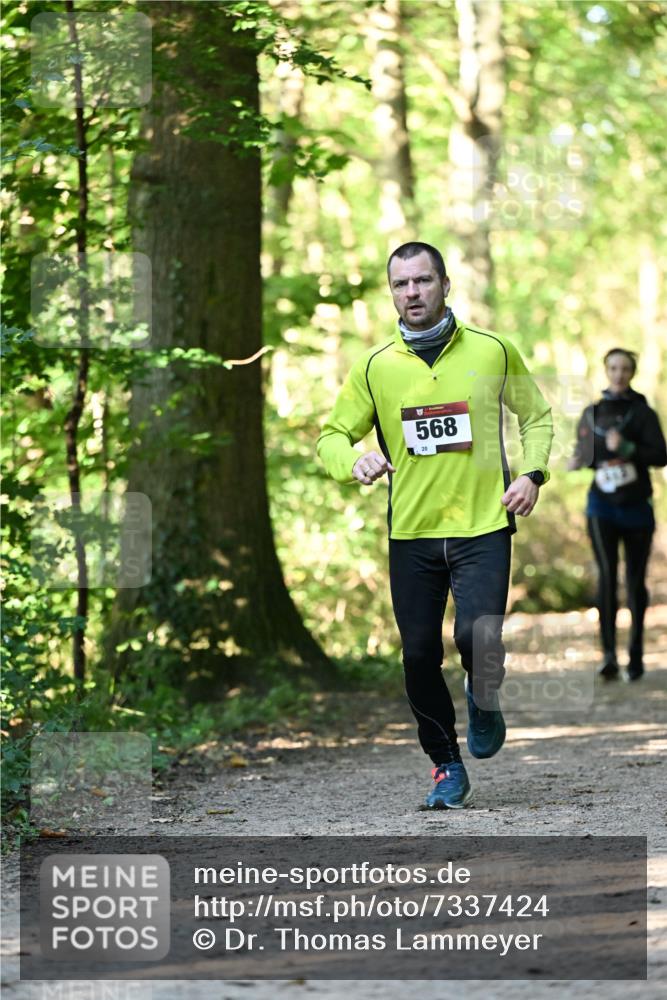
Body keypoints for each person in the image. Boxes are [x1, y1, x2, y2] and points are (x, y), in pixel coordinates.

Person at [317, 242, 553, 810]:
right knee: (419, 655)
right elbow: (331, 436)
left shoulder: (493, 349)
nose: (412, 293)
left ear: (445, 284)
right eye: (401, 284)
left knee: (479, 637)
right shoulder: (375, 367)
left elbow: (537, 416)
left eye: (422, 281)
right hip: (413, 534)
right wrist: (353, 461)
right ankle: (447, 765)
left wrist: (532, 475)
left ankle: (483, 692)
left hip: (483, 525)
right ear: (392, 293)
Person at [568, 348, 666, 681]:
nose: (619, 374)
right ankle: (608, 656)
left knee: (635, 582)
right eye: (613, 368)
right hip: (601, 507)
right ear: (606, 371)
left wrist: (627, 448)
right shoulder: (591, 413)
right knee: (607, 578)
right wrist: (578, 460)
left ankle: (635, 655)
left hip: (637, 506)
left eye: (625, 368)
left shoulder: (643, 413)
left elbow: (661, 455)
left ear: (632, 372)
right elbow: (584, 454)